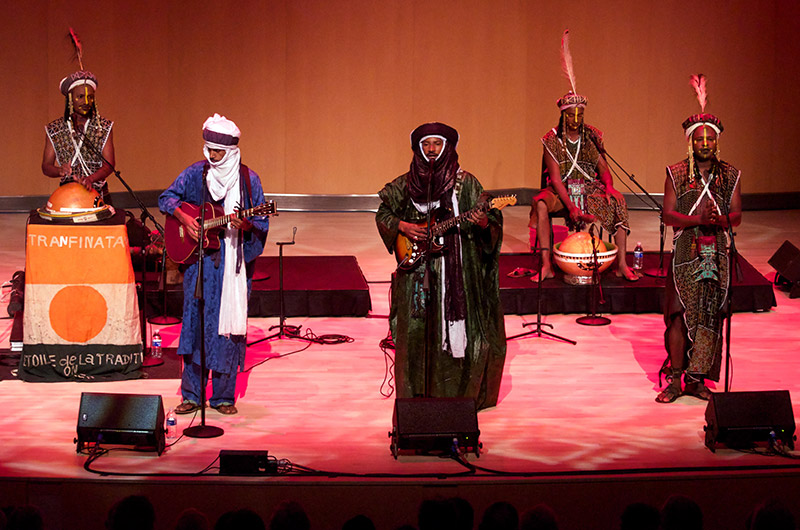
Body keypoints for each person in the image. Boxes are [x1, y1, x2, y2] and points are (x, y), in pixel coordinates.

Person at [376, 122, 506, 410]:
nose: (432, 150)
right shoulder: (405, 184)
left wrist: (484, 222)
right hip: (418, 275)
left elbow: (492, 223)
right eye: (426, 145)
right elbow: (384, 213)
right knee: (418, 333)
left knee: (461, 335)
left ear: (448, 148)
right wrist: (404, 226)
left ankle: (457, 400)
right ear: (418, 149)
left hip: (457, 272)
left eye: (437, 144)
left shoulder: (466, 184)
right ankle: (417, 400)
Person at [159, 114, 269, 415]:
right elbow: (166, 198)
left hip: (231, 268)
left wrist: (244, 225)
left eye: (218, 151)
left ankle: (222, 396)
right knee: (194, 327)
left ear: (231, 151)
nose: (212, 155)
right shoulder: (196, 173)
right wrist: (184, 218)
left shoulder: (249, 181)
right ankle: (191, 394)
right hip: (199, 266)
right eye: (208, 149)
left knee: (228, 331)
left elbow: (260, 222)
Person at [656, 112, 741, 403]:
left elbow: (738, 215)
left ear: (717, 142)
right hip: (685, 253)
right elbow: (668, 215)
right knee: (678, 316)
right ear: (690, 142)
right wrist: (696, 218)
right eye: (699, 138)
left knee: (709, 316)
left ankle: (696, 379)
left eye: (710, 138)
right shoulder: (676, 173)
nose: (705, 143)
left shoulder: (729, 174)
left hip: (715, 252)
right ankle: (676, 380)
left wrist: (719, 220)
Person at [529, 92, 638, 282]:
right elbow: (554, 179)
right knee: (541, 205)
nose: (575, 119)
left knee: (619, 201)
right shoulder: (551, 140)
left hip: (588, 188)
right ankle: (546, 265)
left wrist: (610, 187)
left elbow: (603, 169)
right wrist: (571, 207)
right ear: (563, 115)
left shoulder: (592, 136)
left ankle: (621, 264)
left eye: (579, 115)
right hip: (560, 189)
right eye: (571, 115)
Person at [42, 70, 115, 204]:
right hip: (68, 197)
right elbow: (46, 166)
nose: (86, 101)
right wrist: (60, 170)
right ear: (70, 98)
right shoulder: (55, 129)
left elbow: (109, 165)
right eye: (80, 96)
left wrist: (91, 179)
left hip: (98, 194)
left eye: (90, 97)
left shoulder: (103, 127)